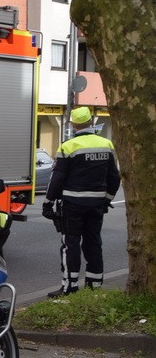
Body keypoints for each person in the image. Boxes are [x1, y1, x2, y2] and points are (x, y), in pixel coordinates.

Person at [43, 106, 120, 297]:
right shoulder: (106, 145)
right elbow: (114, 177)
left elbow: (57, 178)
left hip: (73, 203)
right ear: (90, 122)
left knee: (71, 243)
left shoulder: (68, 146)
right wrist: (107, 199)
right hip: (96, 204)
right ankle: (95, 285)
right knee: (93, 242)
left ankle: (70, 286)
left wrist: (47, 202)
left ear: (74, 124)